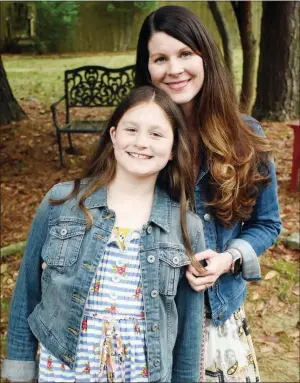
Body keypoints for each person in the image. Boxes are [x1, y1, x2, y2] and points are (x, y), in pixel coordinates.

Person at [2, 86, 207, 383]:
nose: (141, 142)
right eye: (131, 129)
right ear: (113, 136)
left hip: (143, 374)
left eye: (156, 134)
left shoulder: (186, 227)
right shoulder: (62, 203)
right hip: (65, 370)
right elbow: (27, 290)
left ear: (174, 148)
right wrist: (20, 365)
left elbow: (189, 325)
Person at [135, 5, 282, 383]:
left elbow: (267, 224)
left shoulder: (245, 136)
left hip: (216, 316)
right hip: (146, 313)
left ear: (205, 56)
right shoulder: (136, 138)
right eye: (160, 58)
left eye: (185, 53)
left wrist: (228, 258)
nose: (174, 69)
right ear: (146, 67)